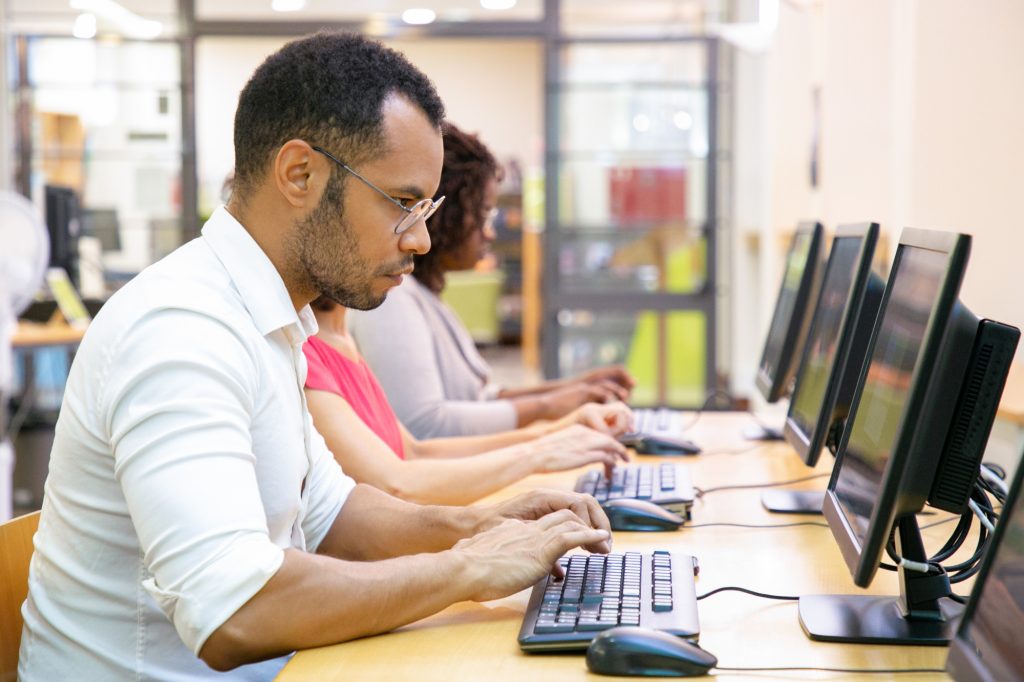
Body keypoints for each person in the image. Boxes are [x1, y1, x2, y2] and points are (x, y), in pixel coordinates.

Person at [18, 33, 612, 680]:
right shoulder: (181, 328)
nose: (418, 240)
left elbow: (333, 515)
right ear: (300, 174)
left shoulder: (271, 316)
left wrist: (481, 523)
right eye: (403, 204)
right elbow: (232, 610)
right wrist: (469, 566)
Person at [348, 122, 636, 439]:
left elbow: (479, 399)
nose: (490, 233)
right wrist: (549, 406)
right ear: (446, 213)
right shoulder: (392, 299)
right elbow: (425, 425)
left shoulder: (426, 295)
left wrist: (578, 388)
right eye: (483, 215)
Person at [304, 295, 633, 504]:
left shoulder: (343, 341)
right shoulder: (306, 352)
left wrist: (560, 431)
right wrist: (538, 453)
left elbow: (416, 451)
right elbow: (396, 484)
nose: (418, 241)